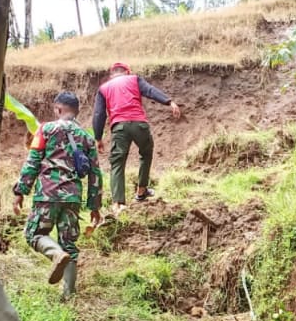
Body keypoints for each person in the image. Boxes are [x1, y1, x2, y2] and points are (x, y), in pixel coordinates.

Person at [13, 91, 104, 298]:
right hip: (72, 197)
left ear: (58, 109)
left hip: (47, 194)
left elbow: (33, 161)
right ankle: (68, 295)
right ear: (76, 111)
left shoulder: (46, 129)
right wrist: (95, 206)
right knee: (69, 243)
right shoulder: (87, 138)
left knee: (34, 234)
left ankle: (55, 254)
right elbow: (95, 173)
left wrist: (20, 191)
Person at [91, 62, 181, 215]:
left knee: (117, 163)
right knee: (146, 153)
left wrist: (98, 138)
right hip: (140, 124)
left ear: (112, 75)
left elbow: (99, 114)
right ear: (127, 72)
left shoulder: (104, 88)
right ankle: (141, 190)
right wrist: (169, 102)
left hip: (119, 127)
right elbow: (150, 91)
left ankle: (118, 204)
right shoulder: (134, 79)